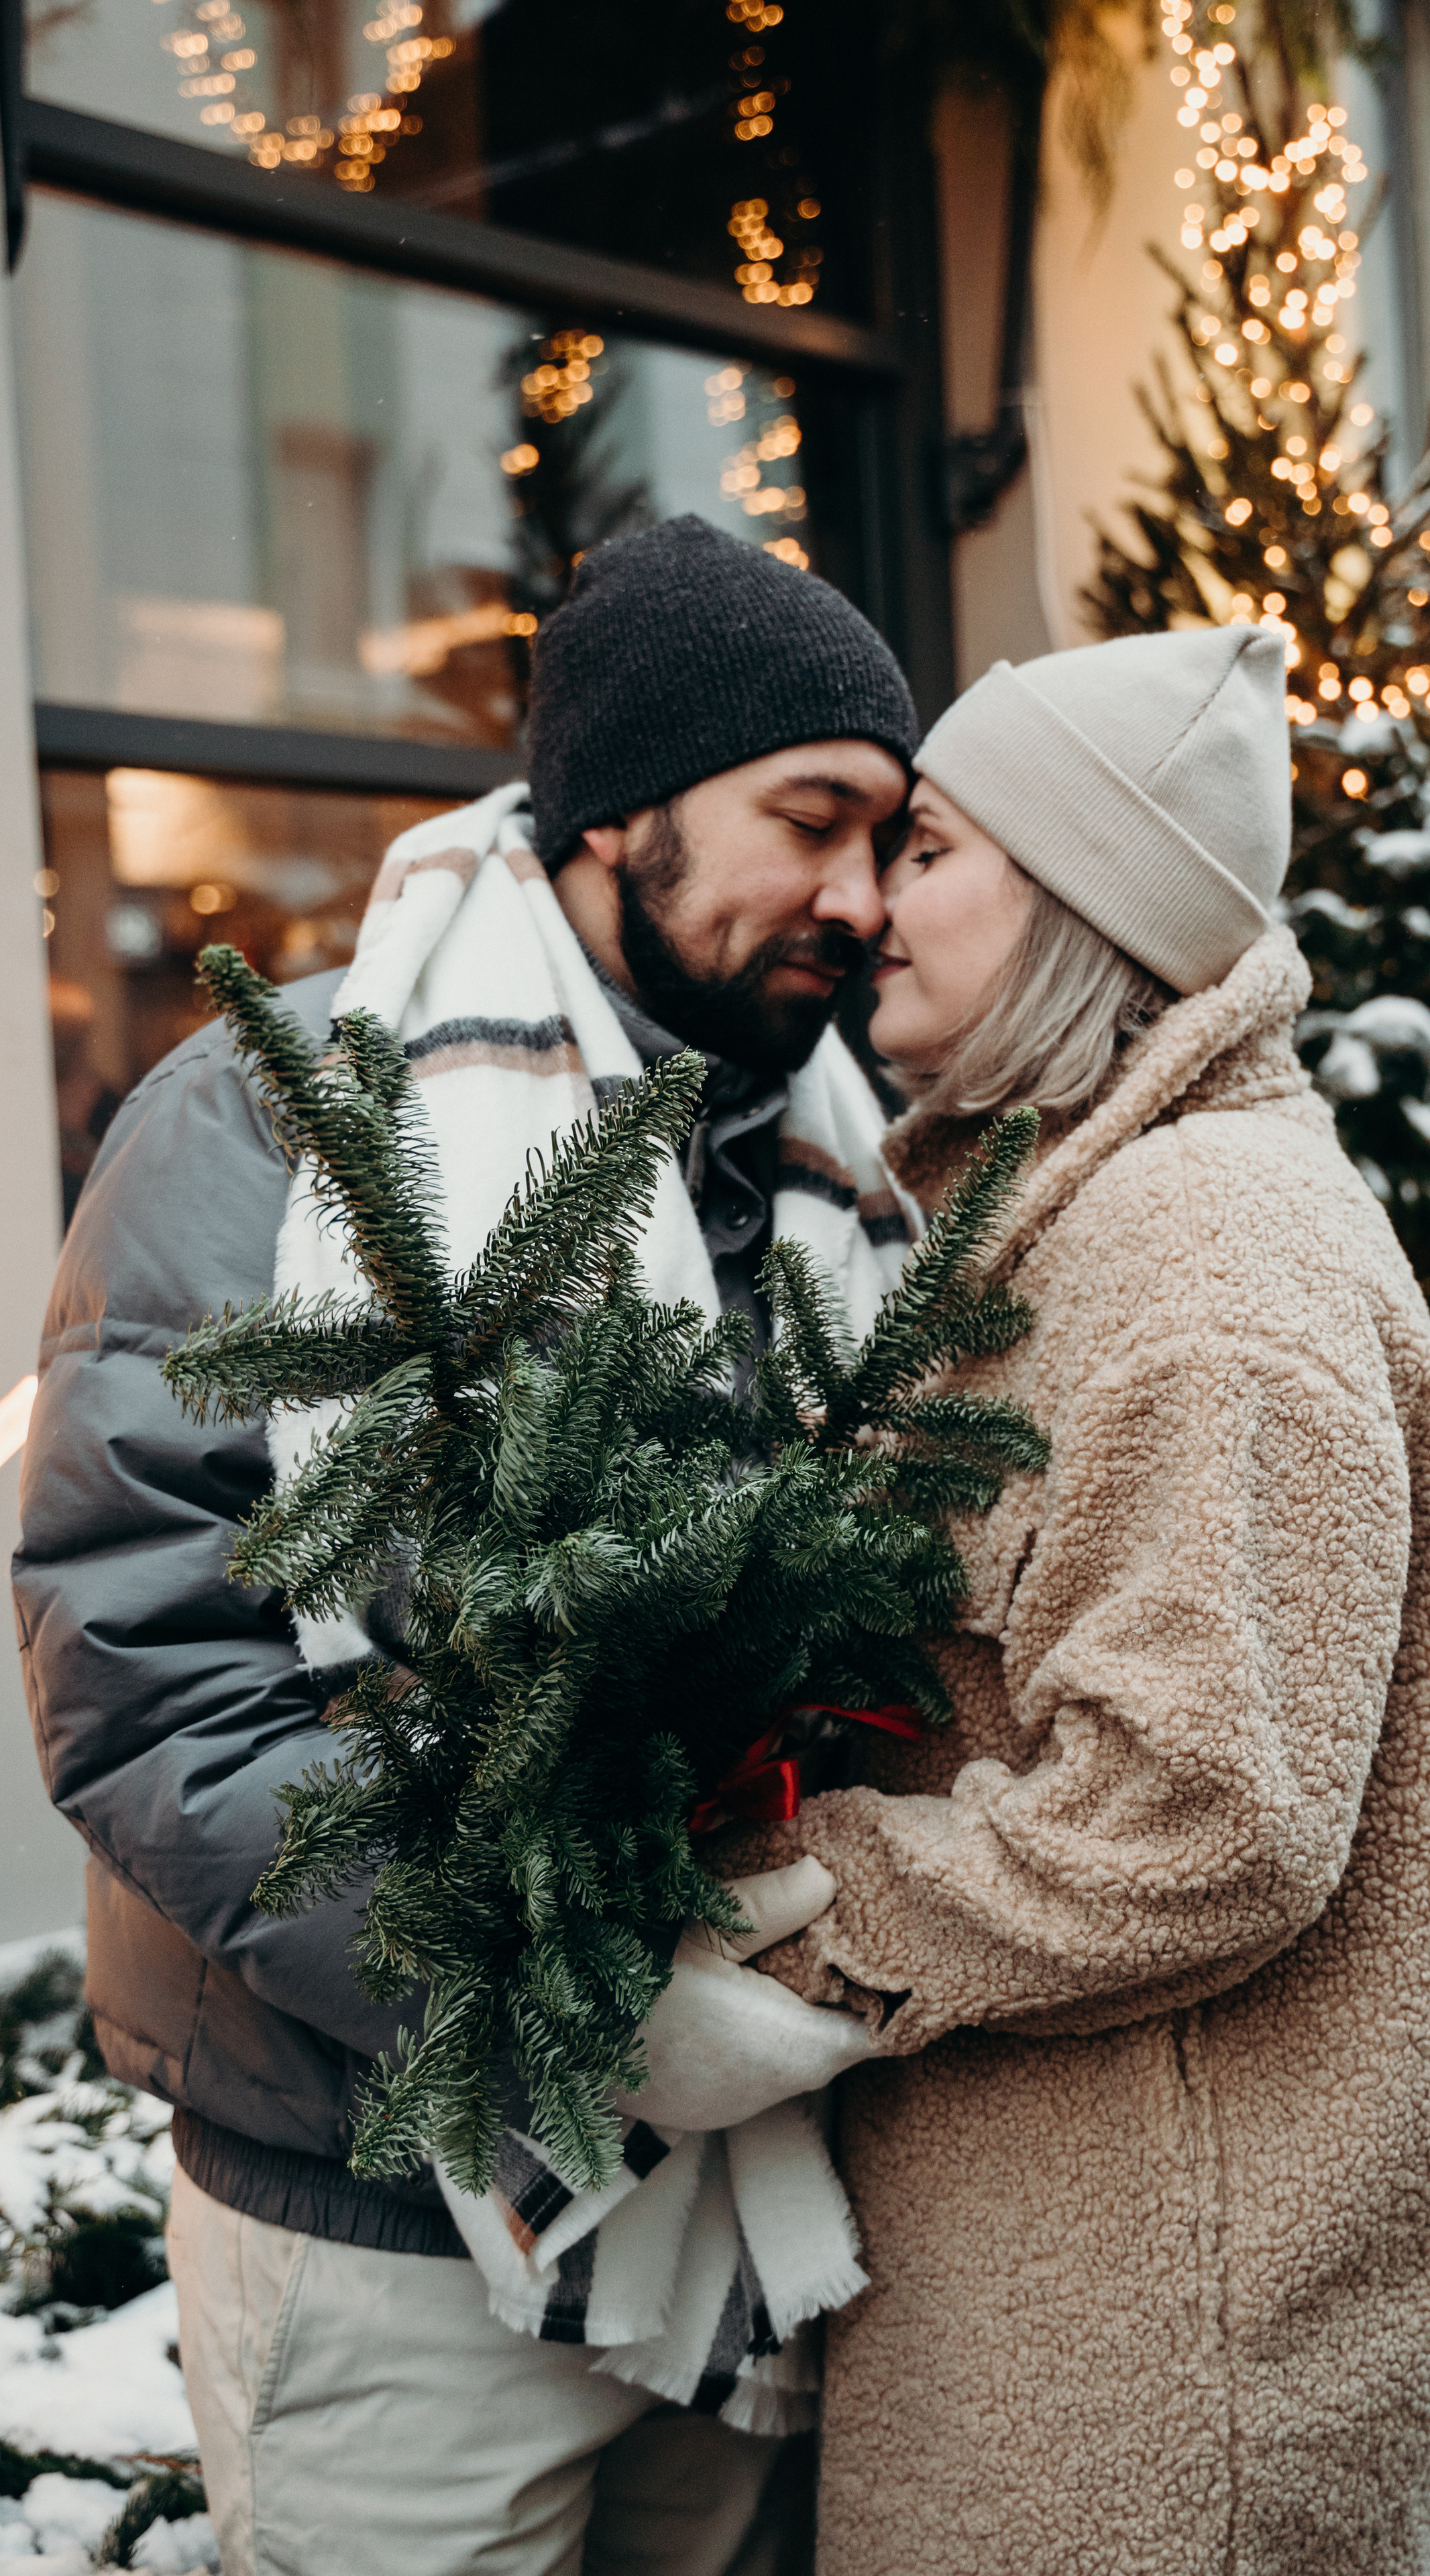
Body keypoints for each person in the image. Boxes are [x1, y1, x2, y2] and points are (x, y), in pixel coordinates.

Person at [13, 517, 918, 2576]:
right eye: (815, 820)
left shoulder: (821, 1184)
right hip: (384, 2215)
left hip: (734, 2203)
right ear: (621, 812)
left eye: (894, 840)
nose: (863, 902)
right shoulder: (282, 1115)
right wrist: (560, 2007)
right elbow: (146, 1668)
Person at [743, 627, 1430, 2576]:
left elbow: (1205, 1824)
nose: (868, 901)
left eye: (930, 850)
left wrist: (786, 1917)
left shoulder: (1201, 1260)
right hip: (1046, 2273)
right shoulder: (1070, 1217)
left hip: (1165, 2361)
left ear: (1081, 896)